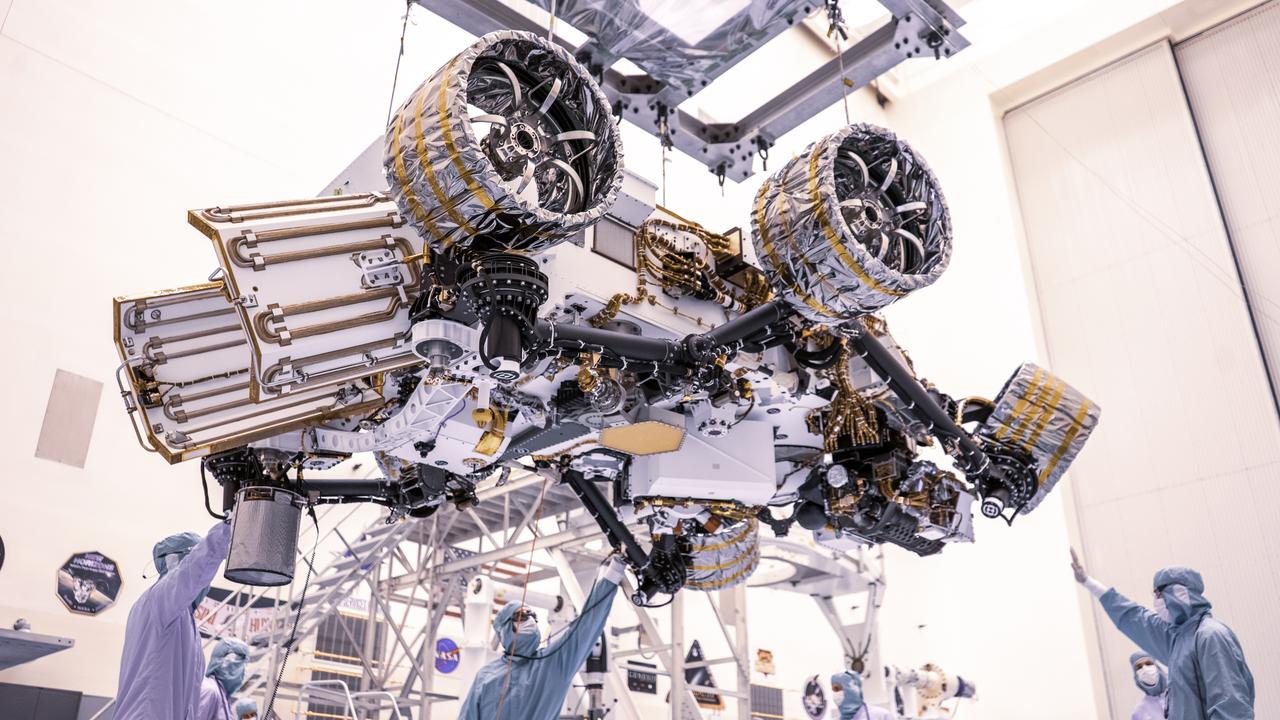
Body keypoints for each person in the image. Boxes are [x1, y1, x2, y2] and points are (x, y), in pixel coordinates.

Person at [1070, 549, 1254, 720]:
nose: (1156, 601)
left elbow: (1230, 705)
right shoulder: (1177, 640)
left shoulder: (1210, 636)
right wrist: (1088, 582)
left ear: (1179, 593)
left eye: (1159, 594)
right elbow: (1135, 617)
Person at [458, 556, 626, 720]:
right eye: (523, 615)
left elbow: (587, 625)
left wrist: (614, 571)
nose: (530, 621)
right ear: (505, 628)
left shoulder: (553, 663)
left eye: (533, 616)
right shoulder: (486, 676)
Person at [115, 519, 232, 720]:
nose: (206, 582)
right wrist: (231, 527)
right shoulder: (159, 600)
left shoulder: (183, 617)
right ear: (175, 563)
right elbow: (194, 570)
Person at [197, 637, 250, 720]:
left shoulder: (223, 695)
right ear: (228, 661)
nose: (245, 670)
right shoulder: (210, 691)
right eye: (244, 663)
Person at [1129, 651, 1168, 720]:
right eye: (1139, 667)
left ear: (1157, 666)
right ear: (1136, 675)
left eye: (1148, 663)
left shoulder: (1179, 694)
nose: (1145, 669)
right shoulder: (1139, 712)